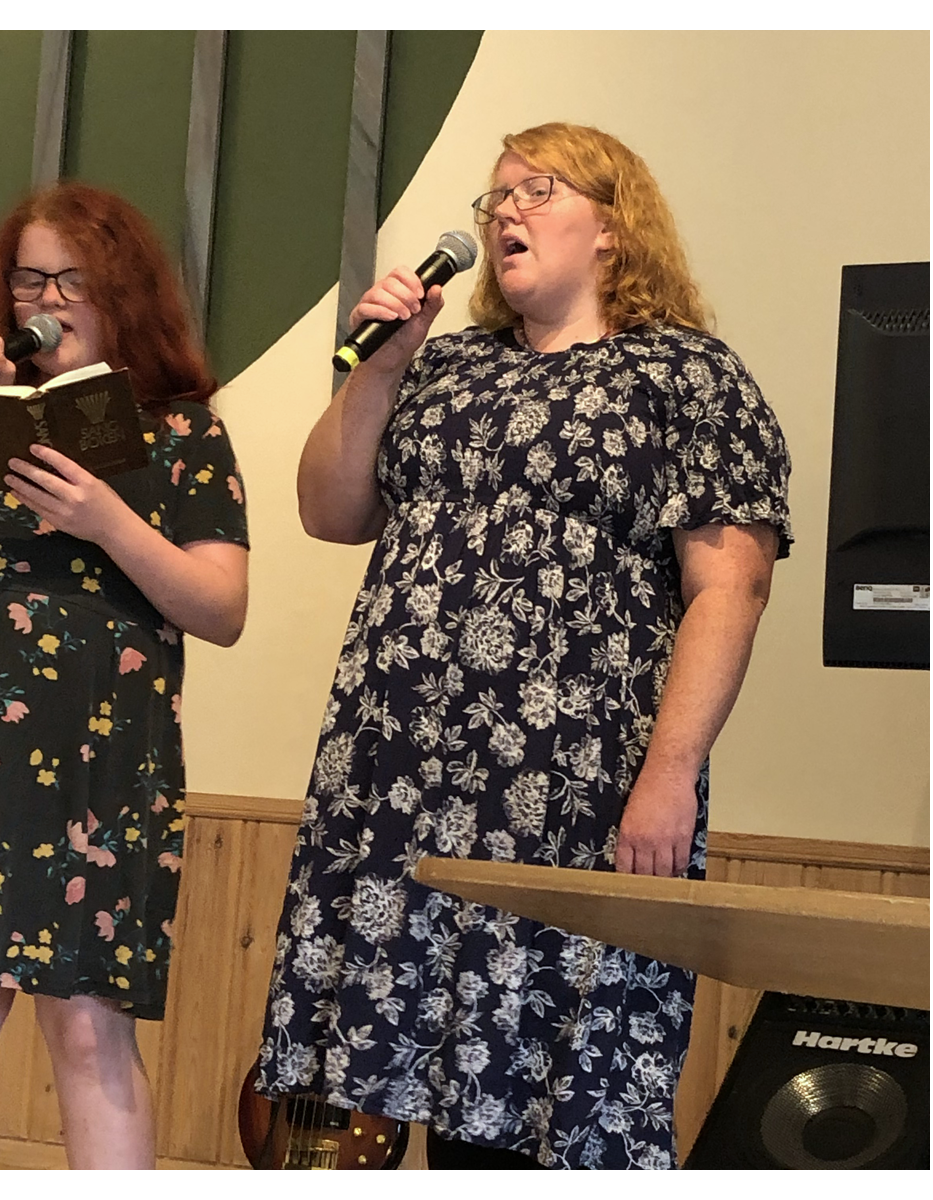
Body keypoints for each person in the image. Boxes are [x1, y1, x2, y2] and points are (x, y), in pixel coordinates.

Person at [254, 121, 792, 1170]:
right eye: (495, 196)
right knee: (398, 1082)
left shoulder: (685, 376)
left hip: (572, 789)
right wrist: (381, 368)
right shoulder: (447, 365)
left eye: (537, 189)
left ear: (614, 227)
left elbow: (733, 586)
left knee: (544, 1095)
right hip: (402, 782)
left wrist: (671, 773)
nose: (505, 210)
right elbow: (328, 511)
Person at [0, 181, 249, 1170]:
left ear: (123, 292)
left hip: (99, 757)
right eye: (30, 279)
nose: (49, 300)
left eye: (75, 279)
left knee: (84, 1024)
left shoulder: (184, 431)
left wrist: (107, 522)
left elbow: (222, 607)